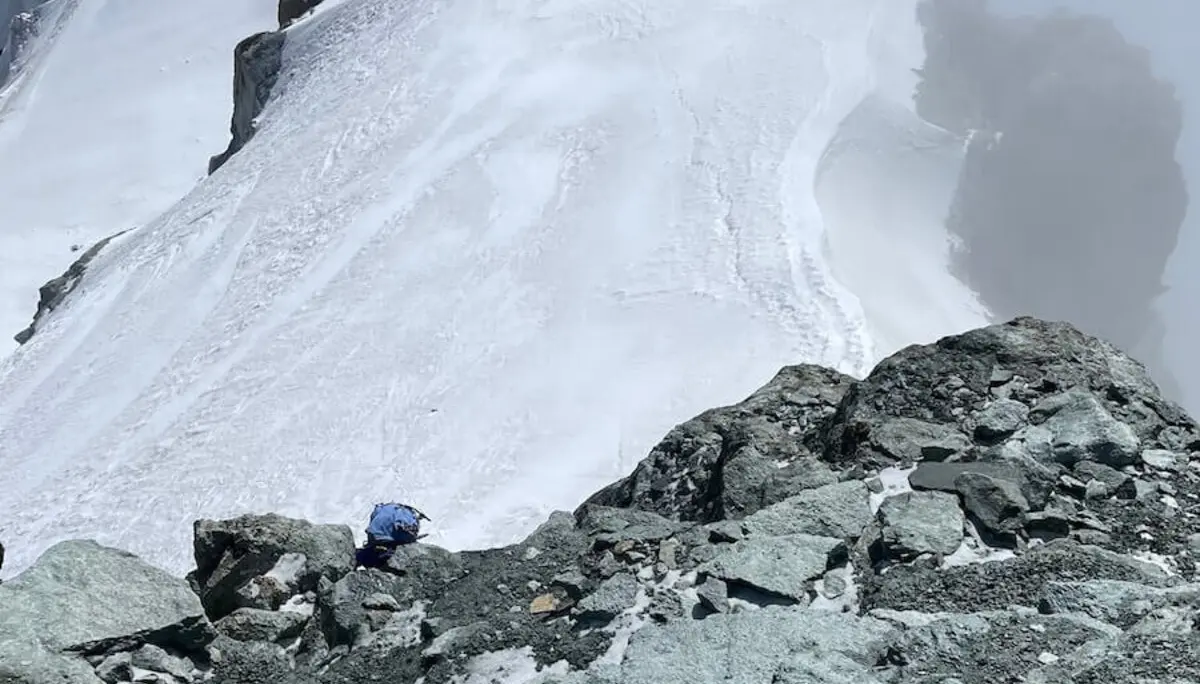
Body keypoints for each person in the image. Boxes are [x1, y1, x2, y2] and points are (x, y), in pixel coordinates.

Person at [354, 502, 428, 570]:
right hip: (385, 538)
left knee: (370, 553)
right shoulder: (406, 516)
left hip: (374, 533)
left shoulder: (387, 508)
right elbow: (402, 528)